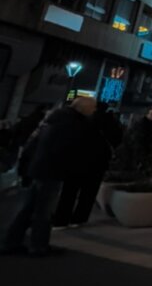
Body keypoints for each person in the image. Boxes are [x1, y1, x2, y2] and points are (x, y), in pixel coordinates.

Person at [2, 97, 96, 256]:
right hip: (52, 170)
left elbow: (33, 144)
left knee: (29, 207)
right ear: (84, 109)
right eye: (92, 108)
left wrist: (26, 167)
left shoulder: (53, 119)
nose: (94, 111)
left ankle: (11, 242)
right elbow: (67, 151)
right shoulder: (74, 124)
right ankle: (38, 246)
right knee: (44, 210)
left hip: (38, 168)